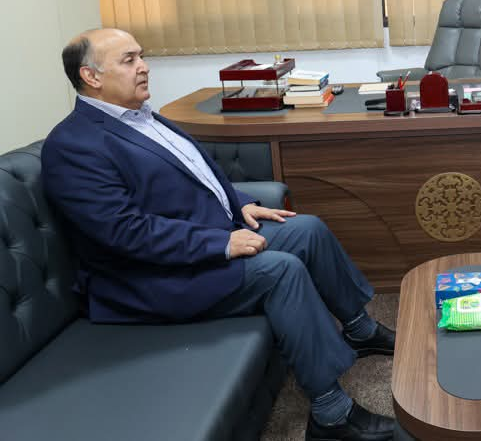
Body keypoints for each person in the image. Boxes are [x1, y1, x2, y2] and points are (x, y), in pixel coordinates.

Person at [42, 28, 395, 441]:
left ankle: (359, 329)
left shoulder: (141, 117)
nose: (144, 67)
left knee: (307, 230)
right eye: (129, 60)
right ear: (91, 76)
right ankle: (331, 416)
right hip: (148, 277)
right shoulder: (73, 145)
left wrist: (239, 203)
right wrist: (221, 243)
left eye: (141, 56)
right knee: (279, 271)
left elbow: (195, 175)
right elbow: (123, 231)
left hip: (195, 242)